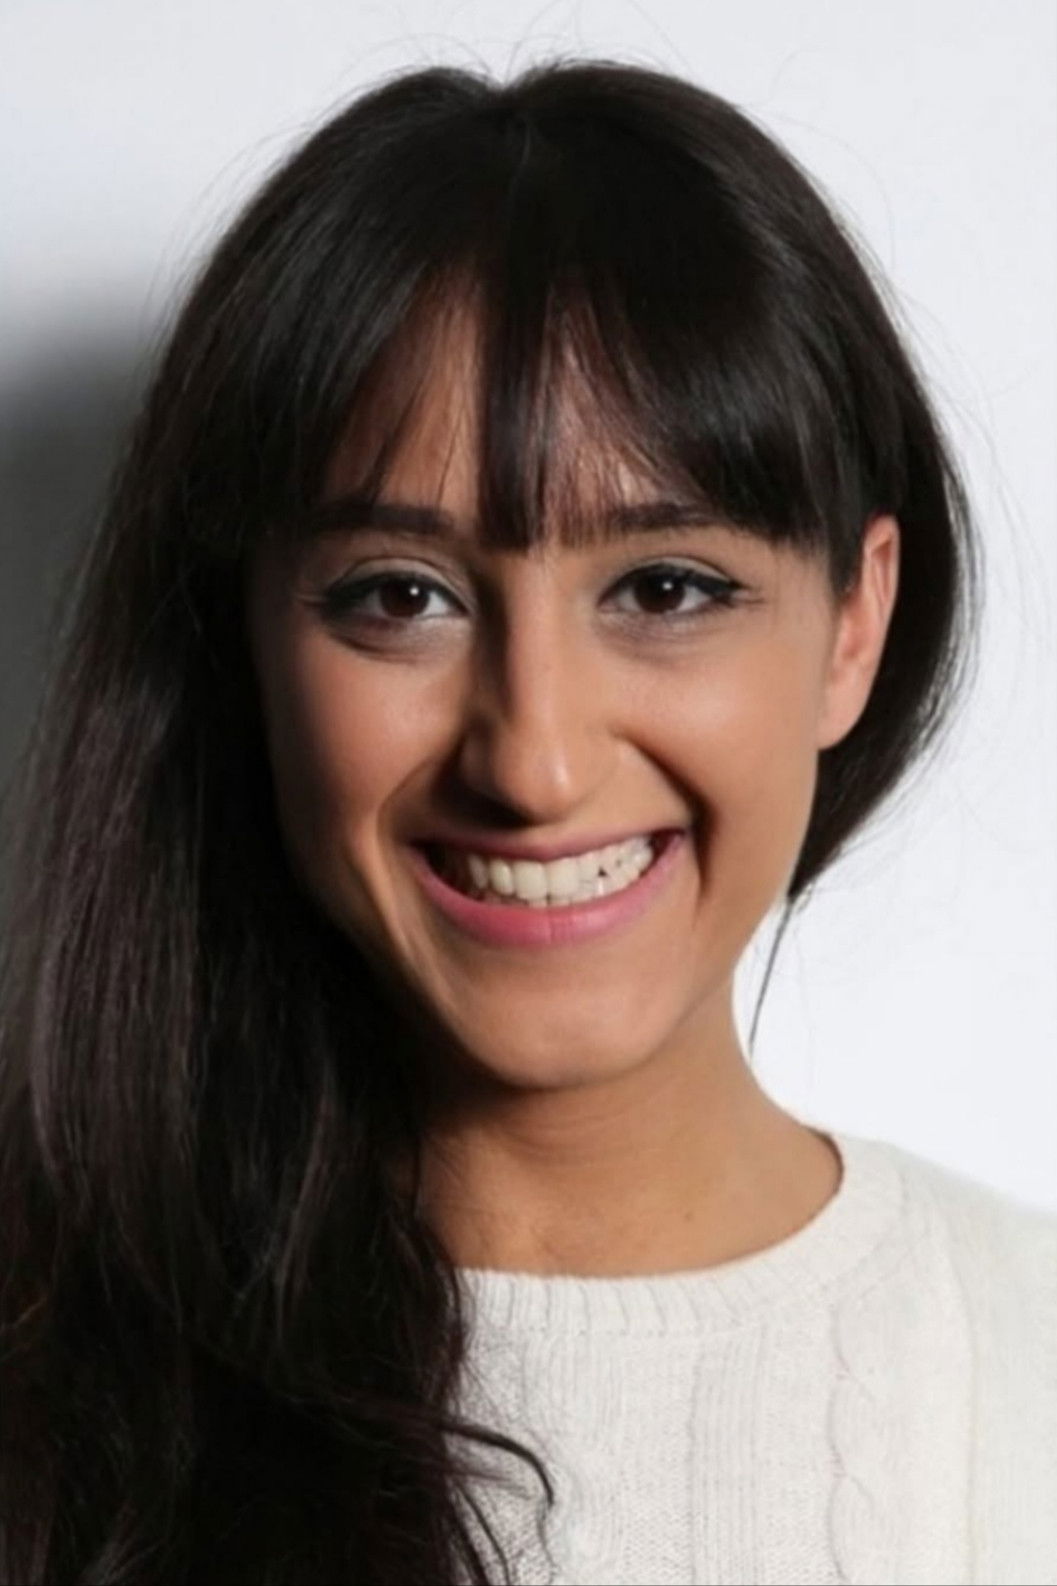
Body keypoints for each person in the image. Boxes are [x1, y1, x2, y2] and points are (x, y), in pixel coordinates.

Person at [0, 56, 1053, 1586]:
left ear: (852, 623)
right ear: (244, 646)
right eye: (400, 596)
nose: (536, 762)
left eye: (664, 588)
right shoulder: (42, 1394)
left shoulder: (1028, 1357)